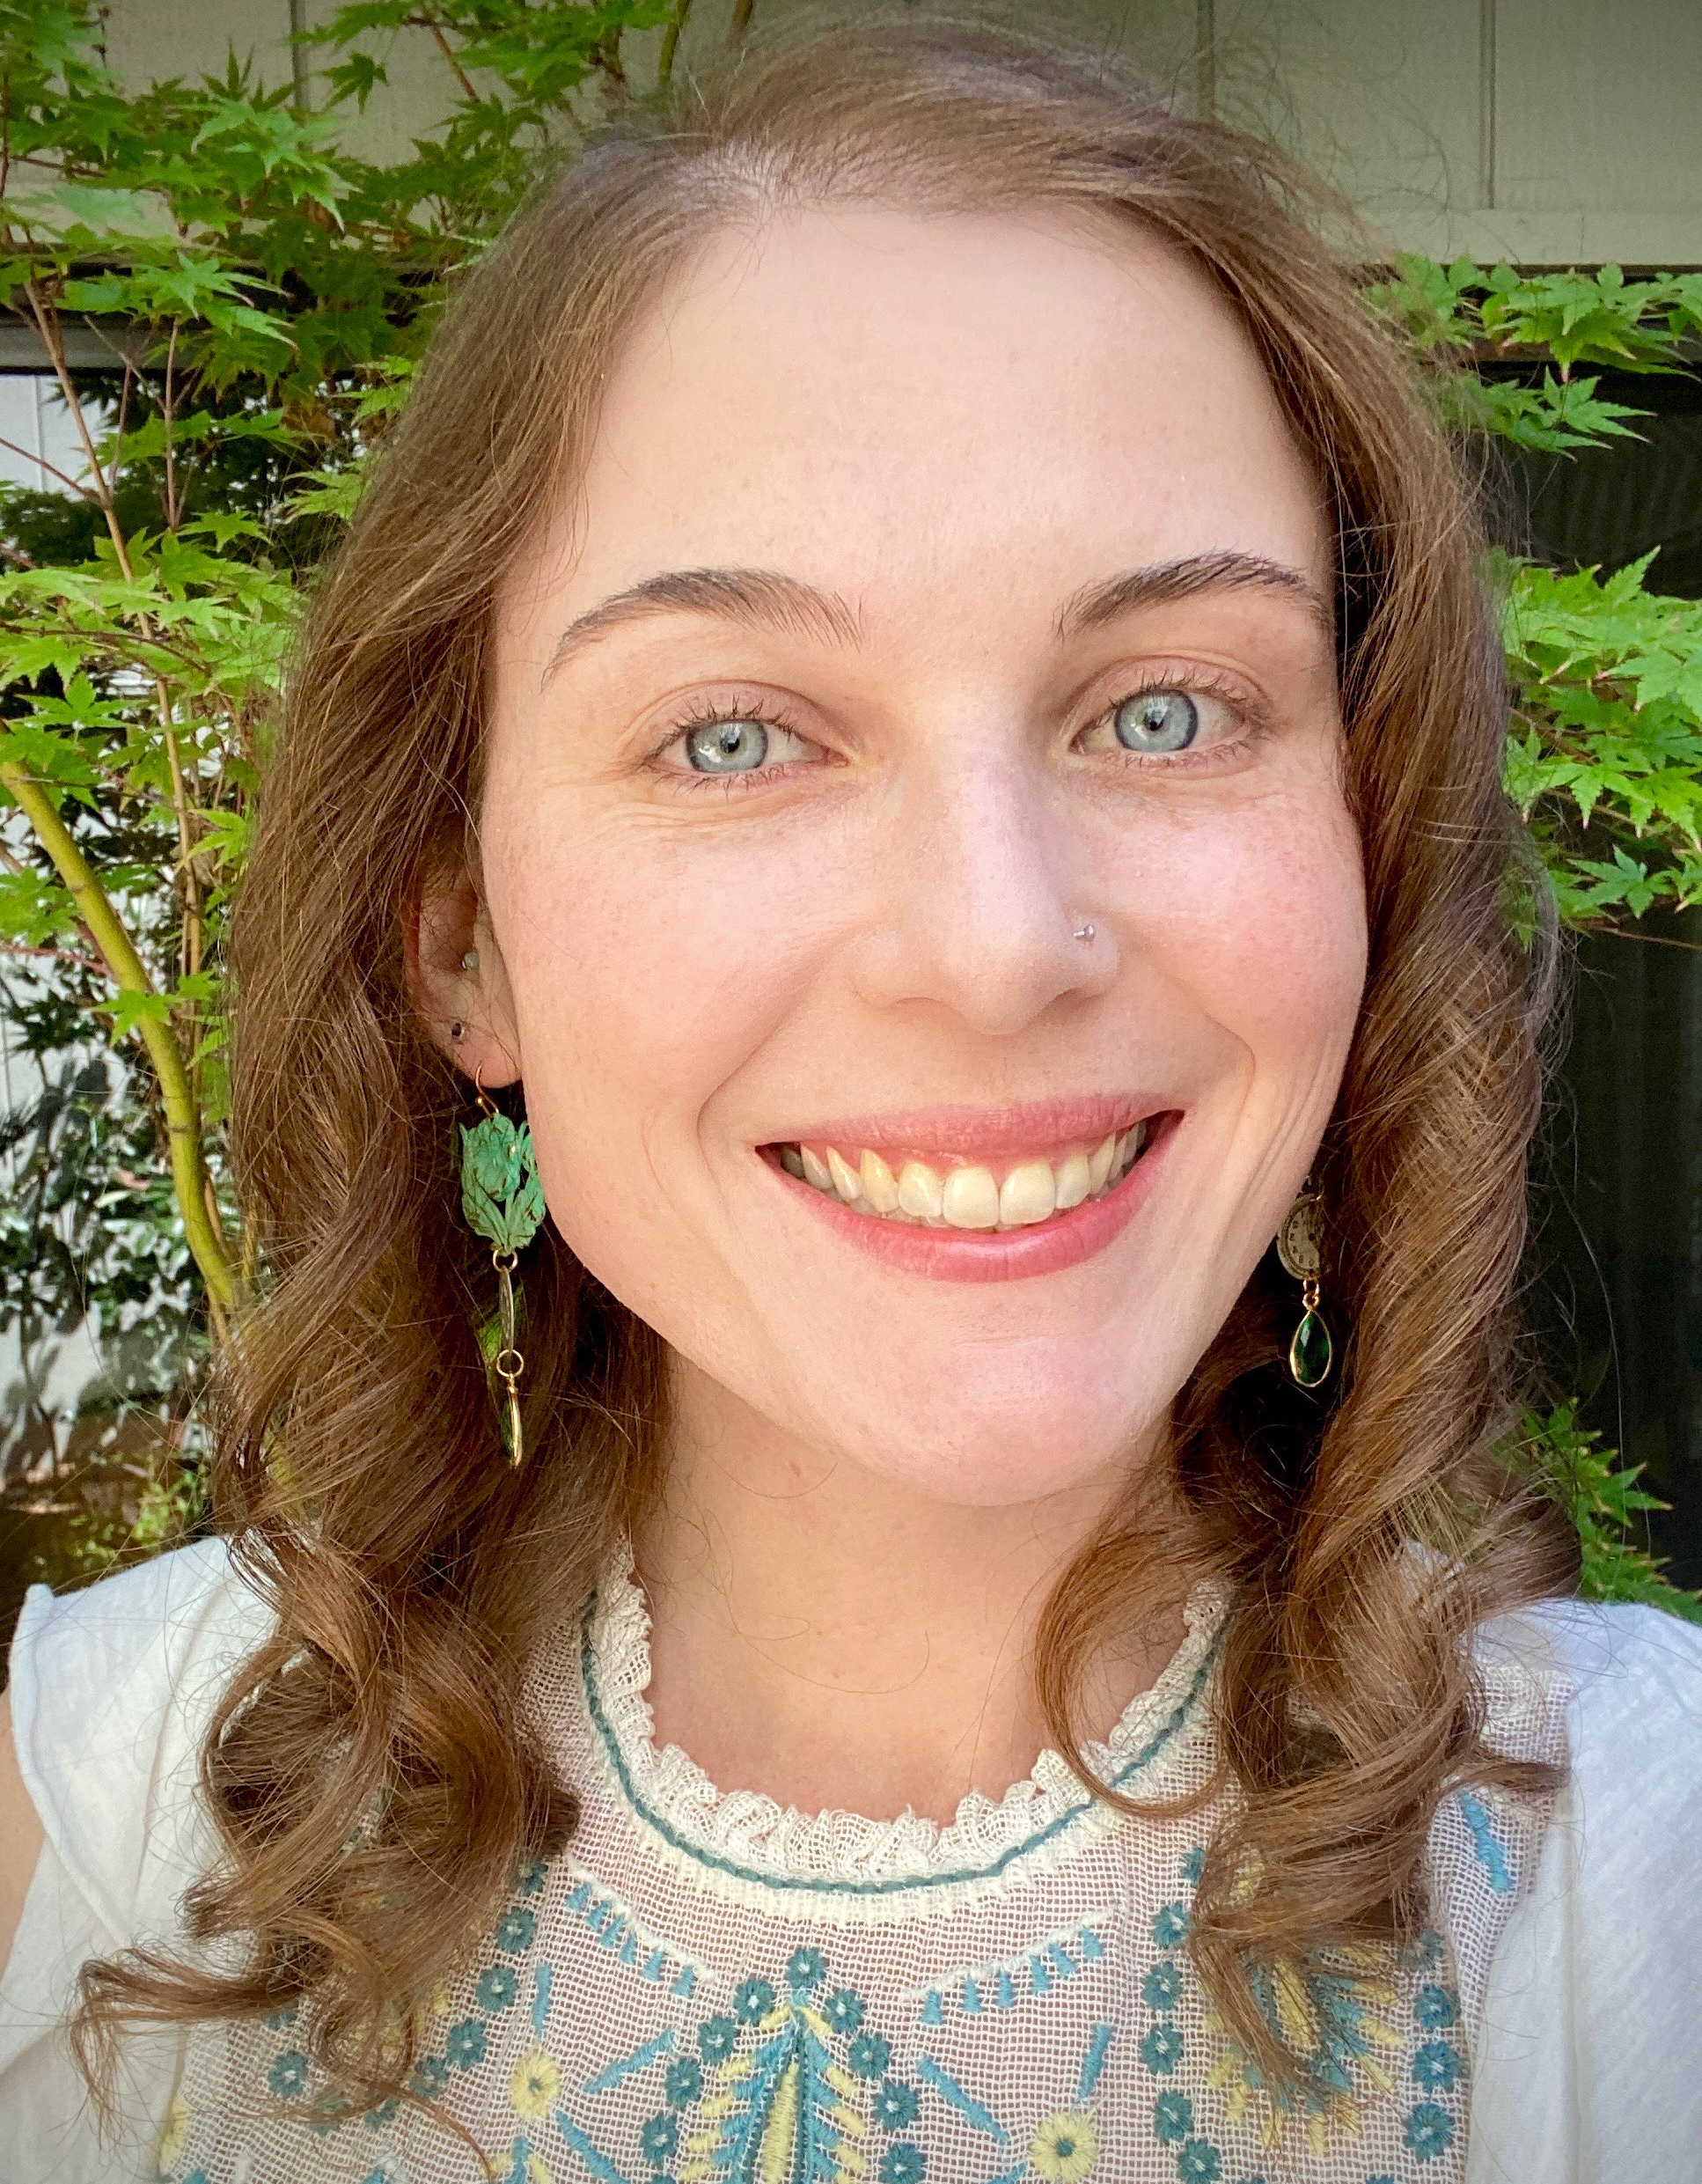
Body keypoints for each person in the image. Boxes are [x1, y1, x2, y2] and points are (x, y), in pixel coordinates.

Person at [3, 14, 1698, 2181]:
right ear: (462, 943)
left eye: (1167, 705)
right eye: (733, 735)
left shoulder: (1631, 1875)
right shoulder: (116, 1822)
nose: (995, 944)